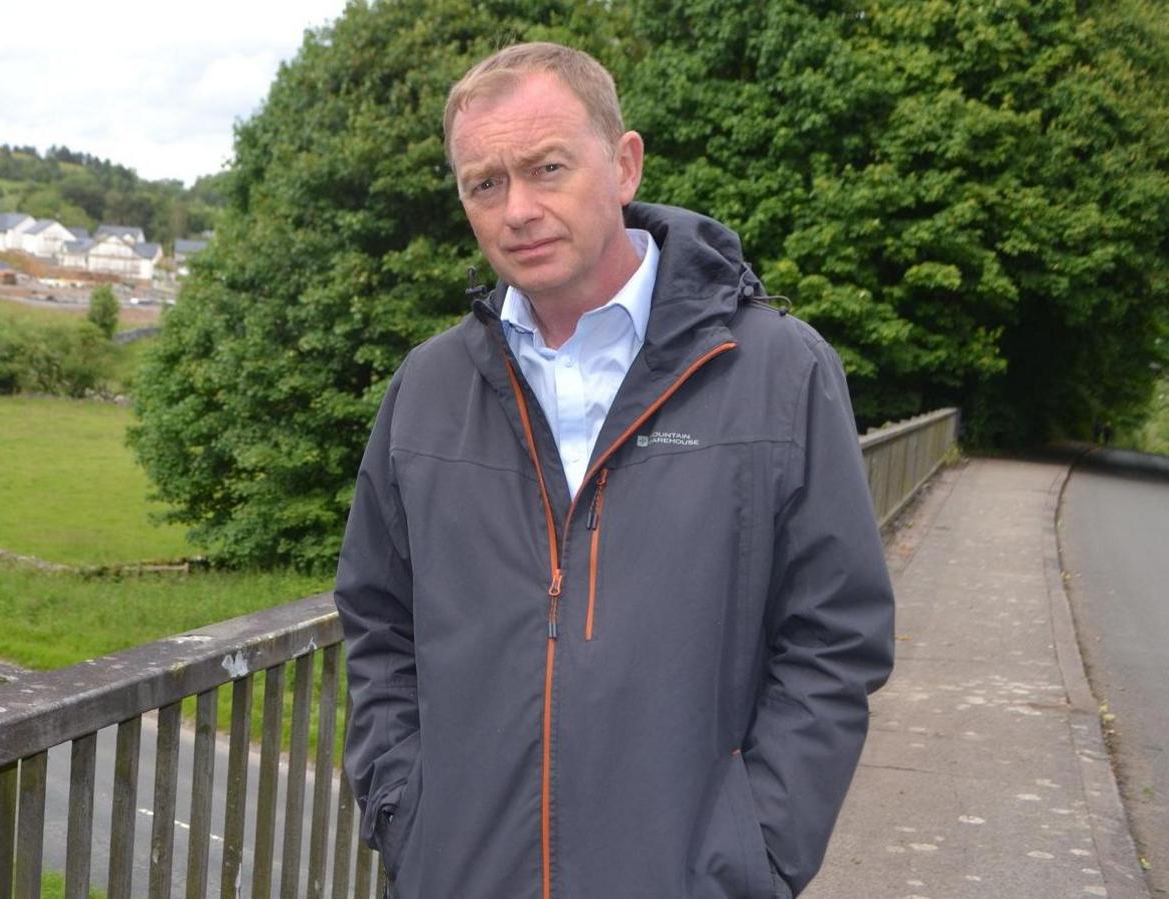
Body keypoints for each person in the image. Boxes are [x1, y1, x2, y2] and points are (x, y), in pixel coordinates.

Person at [334, 42, 895, 898]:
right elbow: (377, 620)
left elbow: (835, 638)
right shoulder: (427, 388)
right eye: (485, 184)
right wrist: (407, 810)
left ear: (625, 164)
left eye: (547, 167)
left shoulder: (778, 372)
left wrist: (753, 854)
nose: (517, 208)